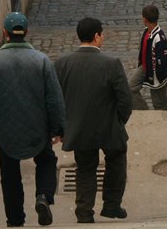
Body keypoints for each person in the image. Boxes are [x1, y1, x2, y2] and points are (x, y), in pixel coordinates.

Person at [0, 13, 66, 227]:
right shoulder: (42, 61)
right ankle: (43, 196)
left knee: (10, 175)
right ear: (27, 33)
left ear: (5, 33)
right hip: (37, 127)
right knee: (46, 160)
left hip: (6, 130)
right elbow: (54, 99)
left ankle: (15, 220)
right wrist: (58, 128)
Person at [54, 17, 133, 224]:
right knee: (116, 159)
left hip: (79, 128)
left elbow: (56, 98)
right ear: (97, 36)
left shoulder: (62, 64)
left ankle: (84, 210)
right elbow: (125, 100)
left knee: (85, 167)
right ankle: (112, 204)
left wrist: (63, 126)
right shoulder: (111, 64)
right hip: (108, 127)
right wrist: (119, 121)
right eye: (102, 34)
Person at [127, 5, 167, 110]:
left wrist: (155, 80)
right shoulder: (147, 31)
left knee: (159, 103)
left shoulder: (159, 38)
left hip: (157, 75)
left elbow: (161, 62)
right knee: (130, 88)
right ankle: (144, 111)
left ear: (144, 19)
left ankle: (165, 122)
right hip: (145, 67)